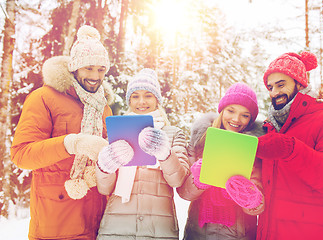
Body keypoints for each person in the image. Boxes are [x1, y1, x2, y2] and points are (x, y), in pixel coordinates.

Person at [11, 25, 113, 240]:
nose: (95, 76)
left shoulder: (102, 106)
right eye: (88, 68)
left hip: (97, 223)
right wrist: (71, 143)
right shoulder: (44, 98)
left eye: (101, 69)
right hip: (56, 224)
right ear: (75, 68)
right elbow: (22, 155)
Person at [256, 51, 323, 240]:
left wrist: (291, 149)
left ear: (299, 83)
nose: (274, 92)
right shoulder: (271, 128)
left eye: (281, 84)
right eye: (270, 87)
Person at [95, 68, 190, 239]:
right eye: (135, 96)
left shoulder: (173, 133)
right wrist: (105, 167)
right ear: (129, 100)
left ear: (157, 99)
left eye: (148, 95)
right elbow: (104, 188)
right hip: (117, 228)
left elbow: (178, 180)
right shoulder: (116, 132)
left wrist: (164, 154)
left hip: (158, 230)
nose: (141, 102)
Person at [177, 82, 265, 240]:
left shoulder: (255, 149)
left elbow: (258, 205)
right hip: (198, 233)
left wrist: (250, 197)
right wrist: (199, 179)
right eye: (231, 111)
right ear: (222, 110)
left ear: (251, 119)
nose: (236, 119)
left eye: (245, 115)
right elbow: (184, 193)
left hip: (238, 234)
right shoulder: (199, 141)